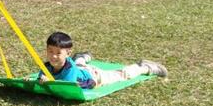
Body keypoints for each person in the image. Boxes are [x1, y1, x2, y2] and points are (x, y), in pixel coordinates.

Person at [37, 31, 167, 87]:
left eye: (58, 53)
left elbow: (66, 87)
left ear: (68, 53)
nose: (53, 56)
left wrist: (48, 82)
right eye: (50, 51)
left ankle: (144, 67)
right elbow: (40, 80)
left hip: (94, 76)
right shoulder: (47, 66)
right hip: (81, 69)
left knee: (120, 75)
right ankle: (81, 58)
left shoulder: (69, 69)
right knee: (80, 65)